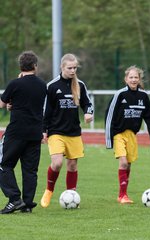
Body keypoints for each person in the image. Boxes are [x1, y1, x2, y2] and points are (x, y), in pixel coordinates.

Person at [40, 53, 94, 208]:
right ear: (62, 67)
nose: (73, 71)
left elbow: (87, 103)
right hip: (56, 131)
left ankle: (71, 194)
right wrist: (43, 130)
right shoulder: (52, 86)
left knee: (72, 165)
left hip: (74, 131)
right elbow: (46, 111)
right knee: (57, 163)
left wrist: (89, 112)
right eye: (70, 68)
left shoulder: (80, 85)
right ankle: (49, 190)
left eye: (75, 68)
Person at [0, 51, 47, 214]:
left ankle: (14, 199)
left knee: (4, 165)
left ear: (20, 66)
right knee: (30, 170)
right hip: (35, 133)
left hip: (17, 131)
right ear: (35, 66)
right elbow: (33, 103)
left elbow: (2, 103)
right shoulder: (42, 85)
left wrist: (9, 105)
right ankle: (27, 204)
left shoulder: (15, 84)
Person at [105, 66, 150, 204]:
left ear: (139, 79)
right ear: (126, 79)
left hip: (132, 135)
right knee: (123, 162)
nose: (133, 80)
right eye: (131, 77)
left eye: (136, 77)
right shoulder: (120, 95)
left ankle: (122, 194)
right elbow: (109, 116)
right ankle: (122, 195)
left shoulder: (143, 96)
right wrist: (109, 139)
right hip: (118, 134)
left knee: (128, 165)